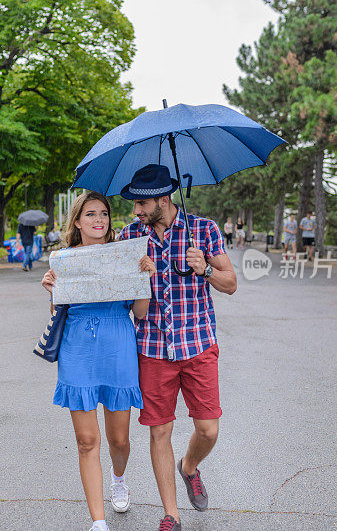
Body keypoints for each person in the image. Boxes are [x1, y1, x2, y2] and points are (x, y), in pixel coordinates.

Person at [117, 164, 237, 531]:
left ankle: (189, 467)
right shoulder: (129, 237)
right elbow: (116, 291)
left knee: (208, 429)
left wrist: (204, 270)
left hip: (198, 345)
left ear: (164, 199)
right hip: (152, 348)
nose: (136, 211)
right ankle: (171, 513)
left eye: (141, 203)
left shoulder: (203, 229)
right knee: (159, 431)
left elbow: (230, 283)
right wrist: (139, 279)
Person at [41, 191, 155, 531]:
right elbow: (57, 313)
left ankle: (118, 478)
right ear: (78, 222)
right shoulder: (62, 260)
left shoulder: (124, 254)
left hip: (118, 343)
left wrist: (144, 280)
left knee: (119, 439)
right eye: (90, 214)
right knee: (87, 440)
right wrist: (52, 291)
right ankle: (98, 522)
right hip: (77, 347)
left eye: (103, 213)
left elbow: (140, 312)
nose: (98, 219)